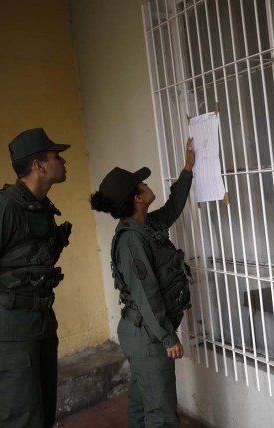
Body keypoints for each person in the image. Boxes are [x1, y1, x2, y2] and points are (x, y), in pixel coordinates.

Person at [0, 128, 72, 427]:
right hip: (10, 331)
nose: (62, 161)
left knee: (43, 413)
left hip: (39, 322)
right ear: (39, 165)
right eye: (56, 156)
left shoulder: (40, 207)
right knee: (24, 419)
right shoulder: (1, 209)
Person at [90, 137, 195, 428]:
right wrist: (167, 336)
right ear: (138, 197)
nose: (148, 186)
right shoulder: (131, 241)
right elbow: (146, 294)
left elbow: (173, 207)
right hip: (147, 335)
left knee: (141, 402)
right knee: (161, 414)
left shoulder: (145, 225)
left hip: (141, 332)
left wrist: (187, 170)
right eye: (142, 184)